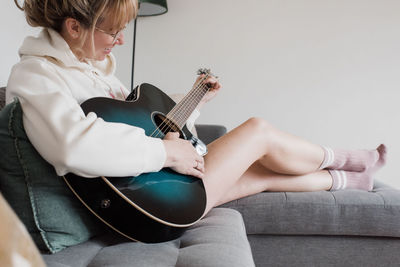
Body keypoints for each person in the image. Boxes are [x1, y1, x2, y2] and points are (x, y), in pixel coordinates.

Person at [7, 0, 386, 217]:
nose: (121, 41)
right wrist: (166, 152)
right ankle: (352, 157)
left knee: (261, 175)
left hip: (147, 188)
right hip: (129, 203)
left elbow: (144, 126)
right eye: (112, 31)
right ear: (74, 27)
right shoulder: (36, 73)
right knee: (258, 132)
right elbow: (73, 146)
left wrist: (194, 105)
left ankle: (352, 179)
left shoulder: (93, 71)